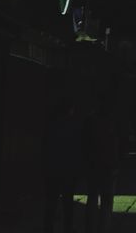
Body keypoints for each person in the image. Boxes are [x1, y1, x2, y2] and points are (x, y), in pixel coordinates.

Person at [83, 92, 120, 233]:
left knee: (92, 198)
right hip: (108, 165)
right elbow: (117, 143)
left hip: (93, 164)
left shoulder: (90, 120)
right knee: (106, 200)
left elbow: (85, 144)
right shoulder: (112, 121)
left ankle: (90, 228)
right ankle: (103, 228)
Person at [42, 97, 79, 232]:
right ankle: (67, 229)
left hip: (53, 169)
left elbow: (45, 148)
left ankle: (48, 228)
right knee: (67, 204)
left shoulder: (51, 125)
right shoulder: (74, 126)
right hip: (68, 171)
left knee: (51, 203)